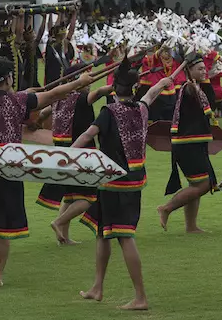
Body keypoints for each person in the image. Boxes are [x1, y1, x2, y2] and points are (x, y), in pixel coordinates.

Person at [0, 56, 97, 286]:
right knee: (3, 227)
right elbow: (52, 95)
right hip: (11, 169)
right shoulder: (19, 100)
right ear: (8, 78)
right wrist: (78, 83)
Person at [73, 61, 174, 310]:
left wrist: (64, 157)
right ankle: (97, 287)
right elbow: (150, 96)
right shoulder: (140, 109)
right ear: (135, 87)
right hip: (130, 182)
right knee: (103, 234)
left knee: (124, 237)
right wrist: (162, 82)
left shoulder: (109, 112)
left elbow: (87, 135)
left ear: (113, 89)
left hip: (115, 183)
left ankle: (140, 297)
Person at [34, 63, 113, 244]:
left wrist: (36, 122)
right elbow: (101, 92)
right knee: (89, 196)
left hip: (62, 151)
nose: (90, 81)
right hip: (81, 152)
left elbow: (44, 112)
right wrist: (117, 84)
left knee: (70, 196)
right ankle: (58, 222)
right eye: (87, 78)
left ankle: (64, 238)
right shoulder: (82, 97)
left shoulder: (58, 99)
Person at [157, 54, 217, 232]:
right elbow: (208, 103)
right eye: (199, 69)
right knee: (203, 184)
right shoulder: (189, 88)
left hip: (193, 143)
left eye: (204, 68)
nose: (204, 71)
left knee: (196, 184)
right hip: (188, 145)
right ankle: (166, 208)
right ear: (189, 71)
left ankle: (191, 226)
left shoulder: (195, 87)